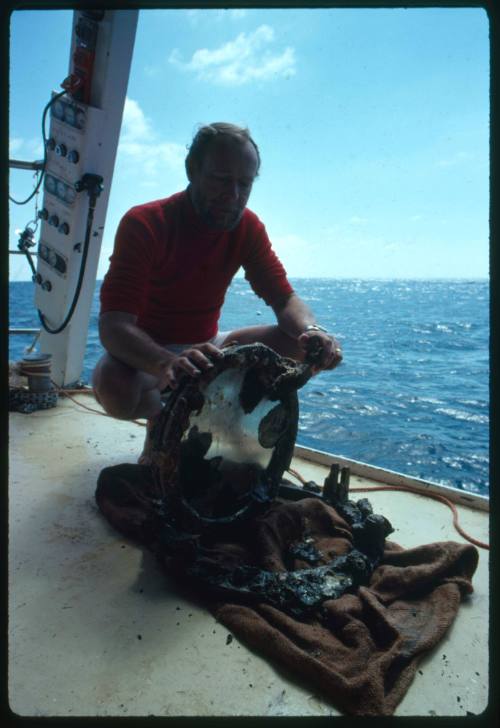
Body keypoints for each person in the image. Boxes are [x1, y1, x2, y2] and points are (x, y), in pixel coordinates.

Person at [92, 122, 342, 460]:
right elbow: (114, 327)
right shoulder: (145, 223)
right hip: (151, 354)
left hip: (208, 346)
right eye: (222, 180)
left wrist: (312, 332)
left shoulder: (247, 226)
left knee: (295, 345)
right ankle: (166, 421)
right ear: (192, 170)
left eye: (245, 183)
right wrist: (166, 362)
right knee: (113, 389)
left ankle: (207, 416)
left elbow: (284, 299)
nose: (233, 196)